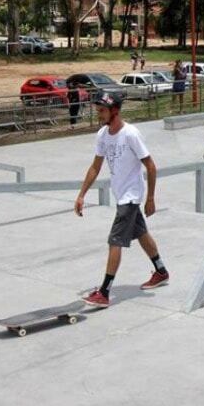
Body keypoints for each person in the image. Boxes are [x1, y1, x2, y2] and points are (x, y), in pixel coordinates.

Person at [75, 92, 169, 308]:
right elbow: (95, 167)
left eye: (102, 111)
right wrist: (81, 195)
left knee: (114, 240)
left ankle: (104, 292)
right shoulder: (102, 135)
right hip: (120, 195)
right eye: (97, 111)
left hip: (131, 196)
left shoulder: (131, 134)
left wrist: (151, 198)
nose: (98, 115)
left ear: (114, 111)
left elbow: (151, 166)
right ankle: (161, 271)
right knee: (142, 234)